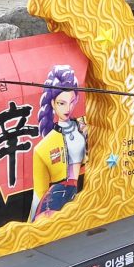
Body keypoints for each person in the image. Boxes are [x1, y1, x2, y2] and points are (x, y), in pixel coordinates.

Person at [31, 65, 88, 221]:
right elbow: (39, 193)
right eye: (61, 103)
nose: (68, 108)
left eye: (71, 101)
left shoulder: (85, 127)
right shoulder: (42, 148)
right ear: (53, 104)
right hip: (56, 199)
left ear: (77, 99)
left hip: (83, 192)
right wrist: (30, 226)